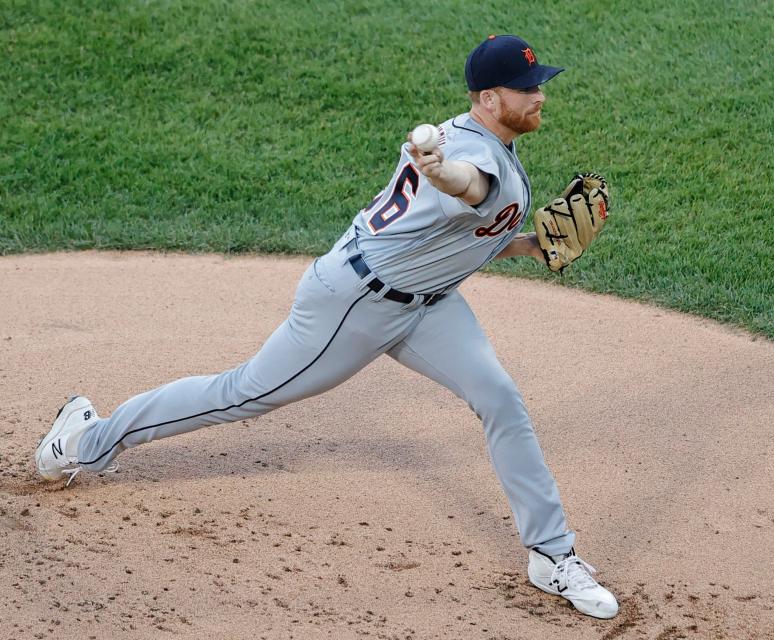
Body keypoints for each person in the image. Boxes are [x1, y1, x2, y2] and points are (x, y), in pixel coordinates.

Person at [34, 34, 619, 619]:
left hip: (427, 303)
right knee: (243, 393)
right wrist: (442, 174)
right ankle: (85, 441)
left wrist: (532, 247)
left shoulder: (484, 138)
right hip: (355, 303)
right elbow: (467, 185)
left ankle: (551, 554)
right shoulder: (471, 156)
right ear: (489, 99)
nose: (540, 95)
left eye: (539, 83)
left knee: (500, 398)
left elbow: (460, 237)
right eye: (527, 88)